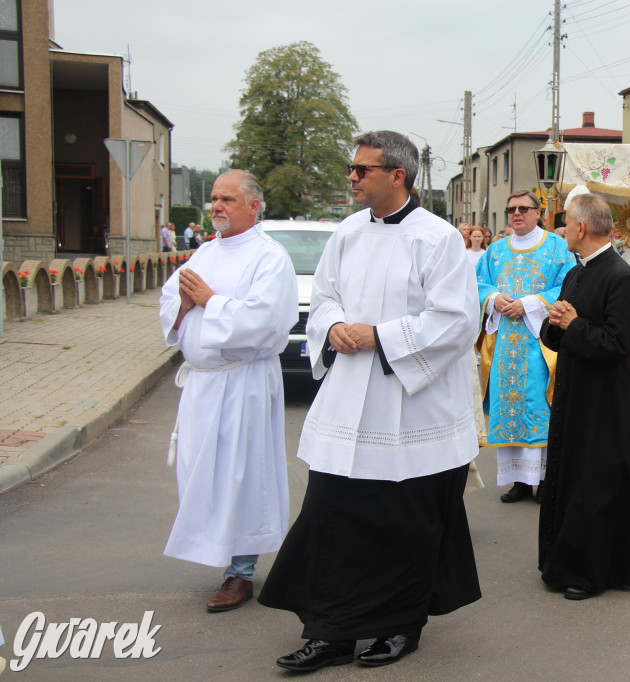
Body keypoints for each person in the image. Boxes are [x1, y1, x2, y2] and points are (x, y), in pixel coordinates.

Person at [258, 131, 481, 672]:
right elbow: (326, 296)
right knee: (331, 514)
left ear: (397, 175)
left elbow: (455, 320)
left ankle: (399, 626)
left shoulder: (439, 238)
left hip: (409, 403)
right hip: (349, 399)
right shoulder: (348, 232)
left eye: (362, 169)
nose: (352, 178)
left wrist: (379, 336)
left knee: (402, 522)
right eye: (352, 169)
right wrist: (333, 326)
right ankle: (330, 632)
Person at [158, 169, 298, 612]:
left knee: (242, 473)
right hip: (202, 385)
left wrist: (210, 301)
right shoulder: (203, 252)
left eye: (227, 199)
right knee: (204, 474)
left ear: (253, 205)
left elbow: (266, 321)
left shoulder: (269, 257)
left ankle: (241, 573)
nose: (216, 206)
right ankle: (218, 551)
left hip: (243, 382)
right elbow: (170, 301)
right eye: (214, 199)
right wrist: (183, 303)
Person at [539, 193, 630, 600]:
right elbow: (564, 331)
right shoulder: (575, 272)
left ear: (581, 228)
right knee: (571, 475)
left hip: (607, 400)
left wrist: (573, 323)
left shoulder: (619, 275)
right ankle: (561, 561)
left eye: (566, 223)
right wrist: (555, 322)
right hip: (576, 392)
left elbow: (621, 344)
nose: (562, 230)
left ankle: (591, 571)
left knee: (595, 482)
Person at [476, 190, 574, 502]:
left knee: (540, 407)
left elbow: (569, 284)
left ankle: (546, 480)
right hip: (505, 344)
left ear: (537, 212)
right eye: (511, 209)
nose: (516, 214)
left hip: (541, 344)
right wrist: (493, 299)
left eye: (523, 208)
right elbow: (478, 284)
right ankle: (519, 480)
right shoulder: (494, 250)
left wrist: (530, 304)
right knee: (510, 409)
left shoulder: (558, 247)